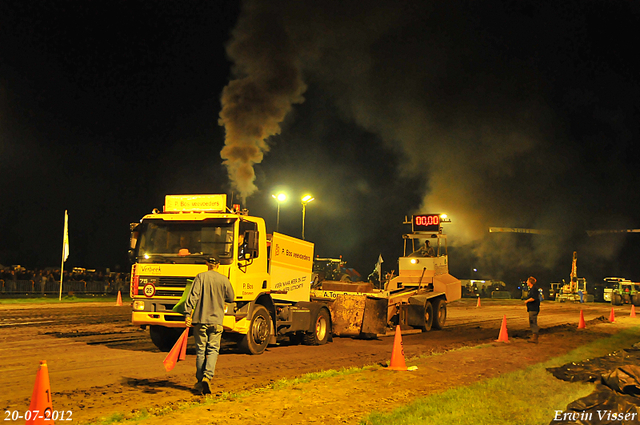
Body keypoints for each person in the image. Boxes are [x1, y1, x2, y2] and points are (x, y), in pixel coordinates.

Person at [184, 257, 235, 394]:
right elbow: (231, 298)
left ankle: (200, 382)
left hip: (200, 320)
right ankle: (208, 376)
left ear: (207, 264)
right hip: (217, 321)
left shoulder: (200, 277)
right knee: (213, 350)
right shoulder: (224, 280)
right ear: (218, 265)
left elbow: (192, 297)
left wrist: (187, 314)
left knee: (201, 351)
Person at [524, 276, 540, 343]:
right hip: (532, 308)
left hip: (533, 308)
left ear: (530, 282)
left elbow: (533, 298)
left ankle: (535, 337)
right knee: (532, 322)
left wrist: (527, 301)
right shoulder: (532, 289)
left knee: (533, 322)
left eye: (527, 281)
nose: (526, 282)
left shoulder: (534, 289)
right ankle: (534, 336)